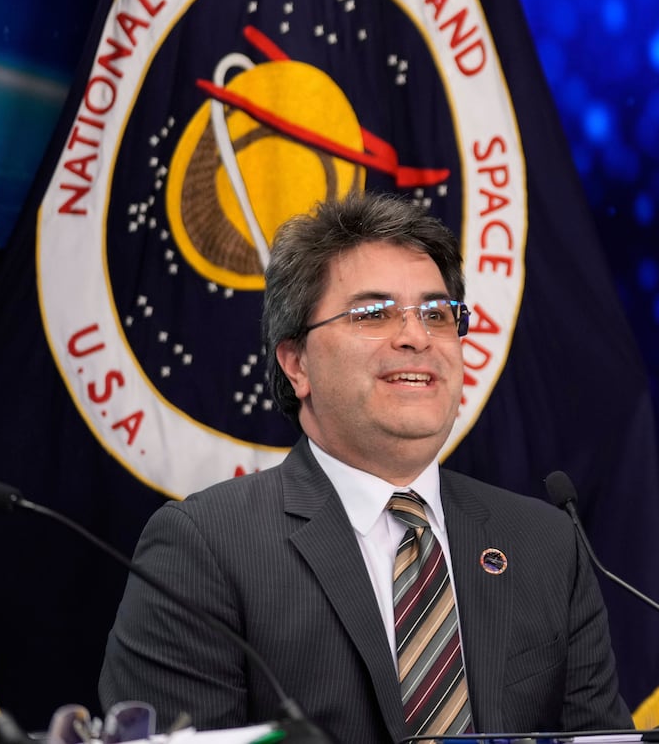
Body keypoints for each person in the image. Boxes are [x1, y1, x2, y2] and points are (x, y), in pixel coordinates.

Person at [100, 192, 632, 744]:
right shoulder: (204, 549)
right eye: (373, 313)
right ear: (297, 364)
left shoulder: (545, 542)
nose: (416, 336)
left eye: (436, 313)